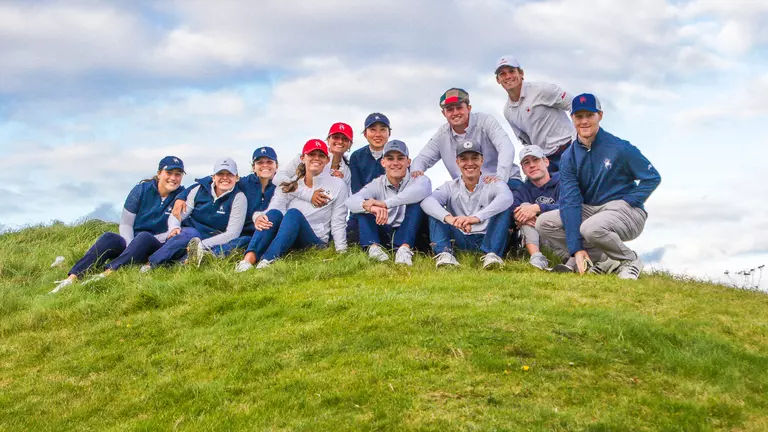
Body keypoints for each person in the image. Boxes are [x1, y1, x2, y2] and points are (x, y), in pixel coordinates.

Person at [536, 94, 661, 279]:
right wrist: (576, 249)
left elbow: (652, 177)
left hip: (627, 211)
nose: (584, 121)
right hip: (592, 212)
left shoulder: (621, 148)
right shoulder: (568, 157)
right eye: (579, 116)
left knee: (590, 228)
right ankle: (601, 259)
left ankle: (630, 259)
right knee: (544, 223)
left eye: (589, 115)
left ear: (600, 116)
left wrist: (629, 201)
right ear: (572, 119)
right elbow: (570, 201)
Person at [51, 156, 186, 293]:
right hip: (132, 241)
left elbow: (176, 228)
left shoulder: (183, 196)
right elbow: (126, 223)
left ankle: (105, 275)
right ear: (159, 174)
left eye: (178, 174)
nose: (173, 178)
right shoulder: (141, 190)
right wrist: (130, 244)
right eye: (169, 173)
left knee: (144, 238)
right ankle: (72, 279)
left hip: (156, 245)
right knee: (109, 237)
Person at [235, 139, 348, 272]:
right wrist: (258, 216)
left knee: (293, 213)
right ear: (302, 158)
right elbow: (275, 209)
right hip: (289, 237)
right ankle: (248, 260)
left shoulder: (337, 184)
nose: (316, 158)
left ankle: (267, 260)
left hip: (314, 239)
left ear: (327, 160)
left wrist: (342, 251)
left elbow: (338, 220)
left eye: (321, 155)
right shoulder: (292, 184)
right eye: (312, 154)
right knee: (274, 214)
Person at [421, 139, 514, 269]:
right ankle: (445, 254)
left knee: (503, 208)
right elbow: (427, 202)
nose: (470, 163)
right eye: (464, 159)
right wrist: (451, 219)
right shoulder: (449, 186)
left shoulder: (494, 183)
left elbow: (507, 198)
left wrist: (475, 218)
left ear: (482, 160)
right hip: (460, 237)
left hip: (486, 236)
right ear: (457, 162)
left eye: (475, 158)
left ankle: (491, 255)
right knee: (436, 211)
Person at [172, 147, 278, 257]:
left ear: (276, 166)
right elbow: (209, 182)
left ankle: (205, 255)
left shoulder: (282, 186)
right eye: (260, 162)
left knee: (245, 242)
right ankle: (198, 256)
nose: (265, 165)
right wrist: (181, 196)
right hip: (243, 231)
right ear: (253, 167)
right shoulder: (244, 182)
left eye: (269, 162)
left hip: (266, 230)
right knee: (238, 241)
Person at [144, 157, 246, 270]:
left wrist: (201, 245)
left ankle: (176, 265)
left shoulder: (239, 198)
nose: (225, 178)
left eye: (230, 174)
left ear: (236, 178)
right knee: (186, 234)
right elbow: (178, 214)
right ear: (213, 177)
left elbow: (233, 233)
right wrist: (174, 227)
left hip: (212, 239)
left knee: (234, 243)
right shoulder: (198, 190)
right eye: (220, 173)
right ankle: (150, 264)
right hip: (190, 233)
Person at [411, 88, 523, 191]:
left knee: (508, 202)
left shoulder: (485, 121)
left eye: (459, 107)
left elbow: (506, 147)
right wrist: (416, 176)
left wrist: (499, 179)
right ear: (444, 113)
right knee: (431, 203)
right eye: (450, 109)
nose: (455, 113)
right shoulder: (442, 135)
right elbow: (422, 159)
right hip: (468, 191)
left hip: (505, 181)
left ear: (469, 108)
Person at [345, 140, 431, 266]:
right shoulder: (377, 183)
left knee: (417, 204)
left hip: (411, 232)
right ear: (383, 162)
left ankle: (404, 249)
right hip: (385, 230)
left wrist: (384, 204)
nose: (395, 163)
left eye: (400, 158)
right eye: (390, 159)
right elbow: (351, 201)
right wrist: (369, 207)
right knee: (364, 206)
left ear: (408, 162)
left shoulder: (419, 179)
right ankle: (374, 248)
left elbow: (422, 191)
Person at [495, 55, 575, 172]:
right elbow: (526, 141)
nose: (508, 76)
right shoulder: (508, 111)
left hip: (569, 148)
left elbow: (573, 105)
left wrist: (577, 140)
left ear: (521, 73)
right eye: (502, 74)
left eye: (512, 71)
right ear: (498, 80)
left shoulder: (542, 90)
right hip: (546, 160)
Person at [274, 122, 354, 208]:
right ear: (328, 140)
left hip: (321, 217)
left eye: (345, 139)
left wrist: (338, 183)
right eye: (336, 137)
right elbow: (278, 178)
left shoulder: (346, 172)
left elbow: (343, 200)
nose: (340, 141)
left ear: (350, 144)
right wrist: (308, 194)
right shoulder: (307, 156)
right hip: (291, 210)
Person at [511, 146, 560, 270]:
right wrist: (521, 216)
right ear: (522, 168)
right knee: (523, 208)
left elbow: (569, 205)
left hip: (561, 235)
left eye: (536, 160)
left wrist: (538, 208)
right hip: (538, 239)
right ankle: (537, 258)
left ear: (546, 162)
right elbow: (513, 209)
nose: (532, 165)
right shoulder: (522, 189)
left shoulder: (562, 181)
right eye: (526, 163)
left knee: (528, 209)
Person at [347, 113, 391, 243]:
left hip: (389, 210)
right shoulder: (357, 157)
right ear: (365, 134)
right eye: (373, 130)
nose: (378, 134)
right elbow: (357, 191)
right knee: (352, 235)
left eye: (382, 129)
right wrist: (372, 207)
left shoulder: (396, 155)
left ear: (389, 133)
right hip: (364, 210)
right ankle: (373, 246)